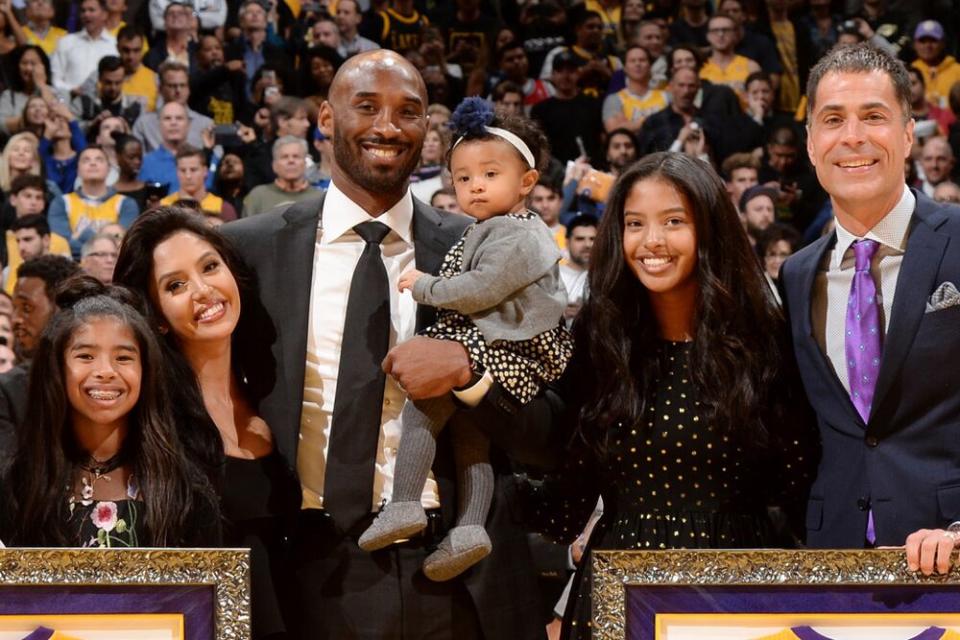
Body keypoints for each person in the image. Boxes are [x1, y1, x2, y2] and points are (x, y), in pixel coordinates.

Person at [222, 49, 558, 640]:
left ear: (427, 131)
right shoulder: (248, 250)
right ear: (325, 118)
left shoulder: (485, 245)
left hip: (457, 572)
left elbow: (549, 427)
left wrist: (472, 374)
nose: (386, 126)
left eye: (408, 112)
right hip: (304, 570)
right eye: (367, 106)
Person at [529, 151, 816, 639]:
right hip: (618, 593)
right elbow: (567, 492)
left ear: (710, 229)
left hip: (738, 587)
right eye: (635, 223)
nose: (652, 241)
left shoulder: (765, 338)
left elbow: (798, 484)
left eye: (674, 221)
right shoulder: (599, 336)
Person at [358, 97, 572, 580]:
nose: (475, 186)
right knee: (471, 435)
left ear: (528, 182)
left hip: (507, 346)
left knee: (424, 406)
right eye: (463, 177)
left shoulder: (520, 233)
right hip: (496, 341)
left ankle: (406, 501)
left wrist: (425, 284)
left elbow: (481, 289)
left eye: (490, 175)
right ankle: (471, 529)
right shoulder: (491, 227)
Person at [780, 43, 960, 575]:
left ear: (908, 134)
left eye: (874, 117)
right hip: (831, 560)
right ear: (811, 144)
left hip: (948, 557)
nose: (853, 137)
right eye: (833, 119)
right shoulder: (794, 275)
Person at [114, 207, 299, 639]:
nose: (202, 290)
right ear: (157, 315)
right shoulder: (149, 422)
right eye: (175, 285)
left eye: (210, 267)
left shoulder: (277, 392)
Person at [0, 275, 221, 547]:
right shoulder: (20, 485)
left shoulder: (184, 488)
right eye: (85, 356)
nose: (105, 372)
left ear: (146, 371)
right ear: (55, 369)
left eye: (123, 358)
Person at [0, 255, 81, 440]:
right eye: (14, 308)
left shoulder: (98, 383)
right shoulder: (8, 391)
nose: (15, 320)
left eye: (26, 308)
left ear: (63, 310)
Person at [48, 145, 138, 259]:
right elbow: (62, 246)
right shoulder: (61, 202)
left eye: (99, 159)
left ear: (109, 169)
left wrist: (80, 236)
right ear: (77, 169)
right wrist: (107, 238)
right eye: (86, 160)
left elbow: (122, 245)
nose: (93, 163)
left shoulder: (126, 204)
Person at [160, 145, 238, 222]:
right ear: (177, 172)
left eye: (193, 170)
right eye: (183, 170)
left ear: (205, 171)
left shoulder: (223, 209)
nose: (188, 176)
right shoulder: (163, 207)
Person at [558, 214, 596, 328]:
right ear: (567, 242)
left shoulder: (608, 277)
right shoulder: (553, 275)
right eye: (580, 239)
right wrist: (558, 316)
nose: (587, 245)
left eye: (593, 239)